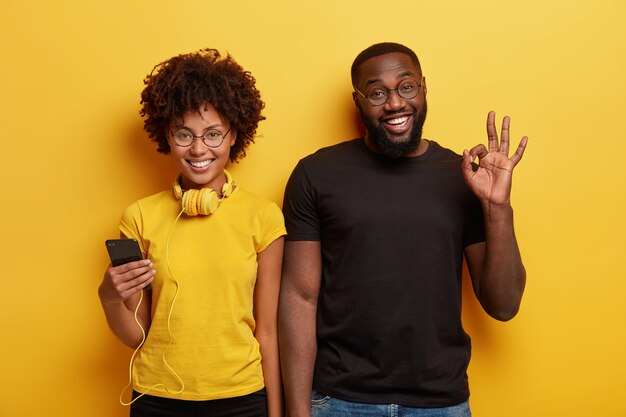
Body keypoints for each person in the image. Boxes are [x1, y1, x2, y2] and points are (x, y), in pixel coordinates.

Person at [279, 42, 528, 417]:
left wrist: (497, 208)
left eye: (406, 87)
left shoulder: (462, 178)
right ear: (358, 100)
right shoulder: (316, 175)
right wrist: (297, 412)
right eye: (377, 92)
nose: (395, 103)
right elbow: (300, 297)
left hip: (440, 403)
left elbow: (504, 305)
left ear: (424, 87)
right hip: (340, 401)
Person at [98, 48, 285, 417]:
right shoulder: (139, 217)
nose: (199, 149)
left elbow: (267, 333)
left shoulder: (263, 217)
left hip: (242, 399)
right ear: (167, 136)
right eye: (184, 135)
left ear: (235, 135)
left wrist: (275, 412)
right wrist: (108, 297)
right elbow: (138, 336)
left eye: (213, 134)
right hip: (157, 398)